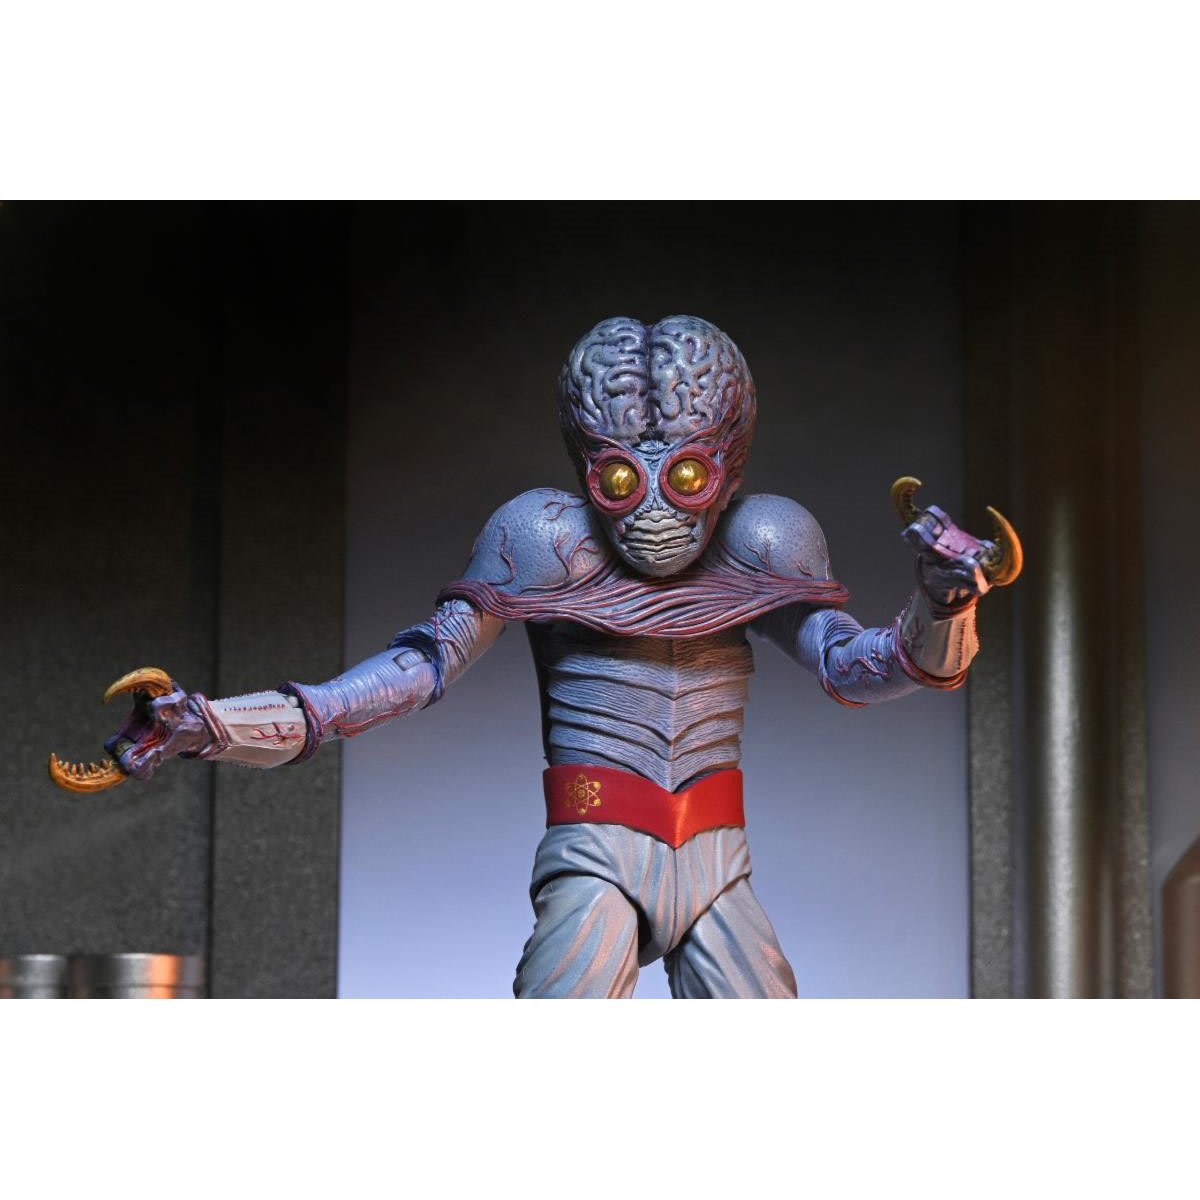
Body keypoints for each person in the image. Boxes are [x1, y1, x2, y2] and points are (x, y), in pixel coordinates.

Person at [53, 315, 1019, 998]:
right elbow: (419, 668)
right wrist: (216, 723)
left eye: (685, 474)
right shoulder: (545, 540)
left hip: (719, 860)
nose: (651, 510)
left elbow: (862, 668)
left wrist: (946, 601)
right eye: (620, 477)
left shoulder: (763, 540)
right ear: (583, 467)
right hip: (598, 850)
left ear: (728, 467)